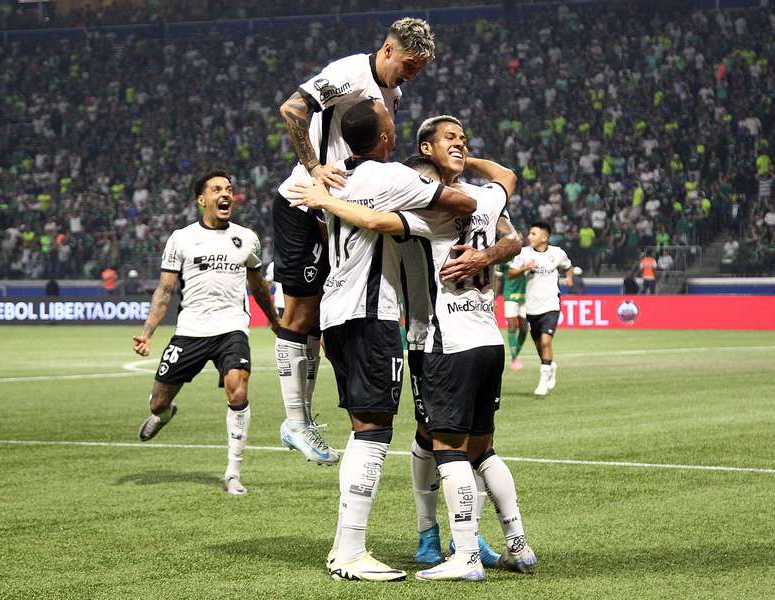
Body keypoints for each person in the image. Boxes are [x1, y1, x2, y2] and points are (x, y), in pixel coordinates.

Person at [293, 113, 537, 581]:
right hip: (488, 339)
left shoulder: (426, 216)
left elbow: (369, 217)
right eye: (452, 139)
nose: (460, 144)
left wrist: (323, 197)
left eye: (463, 139)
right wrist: (469, 169)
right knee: (479, 448)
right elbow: (506, 178)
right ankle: (514, 544)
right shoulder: (487, 198)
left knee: (444, 446)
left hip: (442, 340)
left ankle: (462, 551)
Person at [272, 17, 436, 465]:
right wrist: (312, 168)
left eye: (419, 69)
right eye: (408, 64)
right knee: (302, 311)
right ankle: (296, 421)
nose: (411, 76)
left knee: (327, 321)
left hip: (337, 213)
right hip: (303, 201)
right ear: (387, 49)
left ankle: (310, 420)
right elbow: (291, 109)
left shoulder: (393, 95)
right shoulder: (348, 74)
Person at [132, 171, 280, 496]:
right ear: (202, 200)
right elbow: (165, 290)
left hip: (231, 327)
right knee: (157, 402)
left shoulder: (246, 238)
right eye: (217, 189)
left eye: (229, 188)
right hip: (191, 331)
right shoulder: (181, 238)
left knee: (237, 390)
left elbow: (257, 285)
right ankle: (164, 414)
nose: (225, 194)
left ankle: (233, 473)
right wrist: (147, 333)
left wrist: (273, 320)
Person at [509, 223, 573, 397]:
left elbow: (568, 266)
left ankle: (543, 382)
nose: (529, 236)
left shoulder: (557, 253)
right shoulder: (523, 254)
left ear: (544, 237)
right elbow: (511, 273)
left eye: (533, 233)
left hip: (551, 304)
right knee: (539, 344)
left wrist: (568, 278)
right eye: (530, 233)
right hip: (530, 306)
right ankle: (550, 365)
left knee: (546, 341)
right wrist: (524, 268)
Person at [498, 258, 529, 371]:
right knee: (511, 326)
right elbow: (499, 278)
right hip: (510, 294)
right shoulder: (504, 258)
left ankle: (516, 353)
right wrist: (495, 297)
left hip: (526, 296)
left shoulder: (527, 255)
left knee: (524, 328)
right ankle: (515, 358)